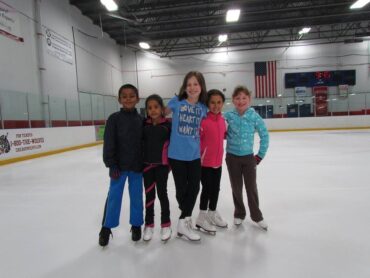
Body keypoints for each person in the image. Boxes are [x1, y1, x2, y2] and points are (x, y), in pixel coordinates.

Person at [99, 84, 144, 247]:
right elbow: (109, 143)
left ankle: (136, 225)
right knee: (114, 198)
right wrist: (111, 164)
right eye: (124, 96)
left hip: (137, 167)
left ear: (137, 99)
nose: (128, 99)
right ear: (119, 99)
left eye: (132, 96)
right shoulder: (114, 119)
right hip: (118, 168)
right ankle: (105, 228)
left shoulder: (141, 120)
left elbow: (144, 143)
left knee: (137, 198)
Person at [166, 71, 208, 241]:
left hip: (194, 154)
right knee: (181, 190)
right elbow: (162, 113)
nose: (192, 87)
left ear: (201, 87)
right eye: (189, 84)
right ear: (184, 87)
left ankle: (183, 221)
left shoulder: (203, 108)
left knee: (195, 187)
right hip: (176, 154)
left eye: (195, 84)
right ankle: (185, 219)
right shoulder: (176, 102)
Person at [224, 86, 269, 231]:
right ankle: (239, 213)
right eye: (237, 98)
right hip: (232, 158)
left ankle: (256, 216)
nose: (241, 101)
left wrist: (260, 155)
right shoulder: (228, 116)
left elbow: (265, 136)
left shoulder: (254, 116)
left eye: (244, 98)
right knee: (236, 188)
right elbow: (219, 130)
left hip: (249, 158)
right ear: (233, 100)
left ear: (249, 100)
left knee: (251, 188)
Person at [195, 89, 228, 234]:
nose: (216, 105)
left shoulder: (223, 121)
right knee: (207, 190)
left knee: (216, 189)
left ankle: (212, 213)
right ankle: (201, 218)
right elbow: (196, 140)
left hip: (218, 163)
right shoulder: (203, 121)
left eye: (219, 102)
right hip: (204, 163)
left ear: (223, 103)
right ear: (208, 104)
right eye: (212, 102)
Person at [142, 94, 172, 241]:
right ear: (147, 110)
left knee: (162, 194)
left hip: (162, 167)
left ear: (161, 108)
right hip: (147, 166)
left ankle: (165, 224)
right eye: (150, 107)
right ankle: (149, 224)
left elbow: (174, 146)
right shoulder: (144, 125)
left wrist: (171, 164)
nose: (153, 110)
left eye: (156, 107)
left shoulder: (168, 125)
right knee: (149, 196)